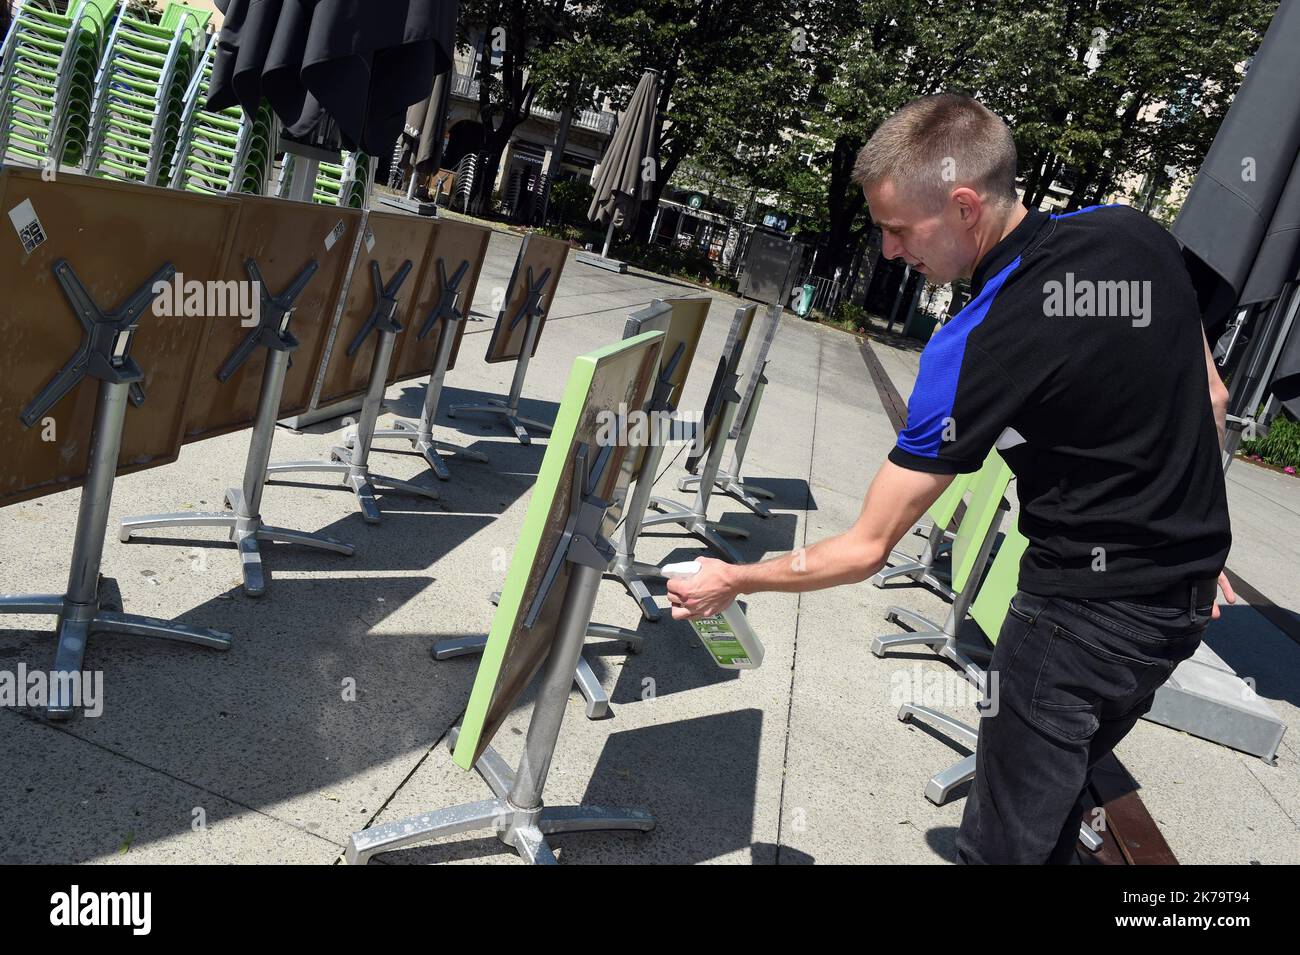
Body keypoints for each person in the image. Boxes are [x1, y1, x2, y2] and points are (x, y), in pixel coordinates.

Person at [666, 93, 1235, 864]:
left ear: (964, 206)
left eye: (899, 230)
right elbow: (1209, 393)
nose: (891, 251)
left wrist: (735, 576)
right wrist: (1183, 522)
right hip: (1180, 610)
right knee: (1056, 800)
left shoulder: (978, 345)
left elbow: (868, 547)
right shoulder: (1132, 232)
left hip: (1077, 625)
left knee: (1003, 846)